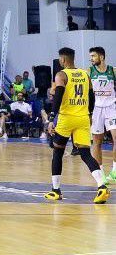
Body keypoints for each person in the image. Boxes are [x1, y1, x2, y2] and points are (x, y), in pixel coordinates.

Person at [44, 47, 109, 204]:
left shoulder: (61, 75)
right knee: (86, 154)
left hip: (67, 119)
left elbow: (58, 96)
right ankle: (102, 186)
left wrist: (51, 118)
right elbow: (92, 97)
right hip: (83, 118)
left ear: (63, 60)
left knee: (58, 151)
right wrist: (90, 114)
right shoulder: (85, 74)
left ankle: (55, 190)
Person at [88, 47, 116, 181]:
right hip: (97, 109)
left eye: (93, 56)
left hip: (112, 107)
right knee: (97, 142)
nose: (91, 59)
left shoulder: (113, 70)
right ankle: (101, 174)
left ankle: (115, 171)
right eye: (91, 56)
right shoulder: (89, 71)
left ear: (102, 57)